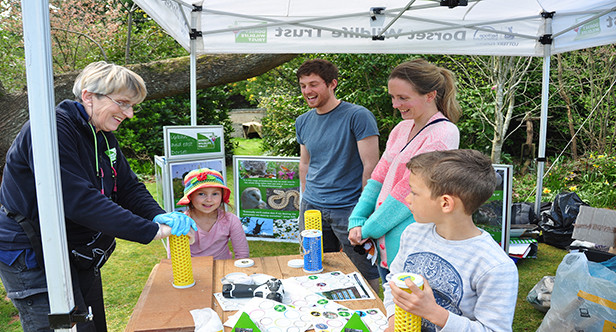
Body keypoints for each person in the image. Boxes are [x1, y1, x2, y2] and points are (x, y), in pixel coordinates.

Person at [0, 61, 196, 332]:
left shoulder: (101, 134)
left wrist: (156, 213)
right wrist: (150, 230)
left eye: (132, 106)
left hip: (74, 247)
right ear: (89, 96)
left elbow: (127, 186)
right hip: (31, 251)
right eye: (123, 103)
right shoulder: (50, 130)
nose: (129, 114)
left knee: (90, 323)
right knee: (65, 328)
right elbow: (79, 200)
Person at [348, 58, 461, 283]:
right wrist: (357, 218)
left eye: (403, 98)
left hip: (411, 247)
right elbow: (378, 176)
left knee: (409, 314)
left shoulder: (443, 133)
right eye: (393, 97)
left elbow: (408, 190)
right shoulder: (402, 128)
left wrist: (368, 228)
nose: (395, 104)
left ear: (430, 96)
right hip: (383, 243)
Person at [383, 149, 518, 331]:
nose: (407, 199)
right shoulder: (413, 233)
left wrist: (433, 312)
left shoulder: (495, 267)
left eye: (414, 193)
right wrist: (393, 323)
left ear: (445, 203)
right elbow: (394, 282)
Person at [295, 59, 380, 291]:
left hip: (349, 208)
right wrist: (305, 197)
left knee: (364, 270)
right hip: (312, 207)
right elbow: (305, 164)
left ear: (332, 84)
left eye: (313, 84)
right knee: (315, 266)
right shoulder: (302, 121)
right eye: (303, 85)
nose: (307, 91)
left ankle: (370, 317)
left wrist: (365, 210)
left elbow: (371, 166)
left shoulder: (358, 116)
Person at [176, 168, 249, 260]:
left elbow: (243, 254)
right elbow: (176, 259)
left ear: (222, 196)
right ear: (190, 196)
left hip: (224, 270)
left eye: (215, 194)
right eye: (201, 194)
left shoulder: (231, 220)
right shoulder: (180, 223)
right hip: (192, 271)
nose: (209, 200)